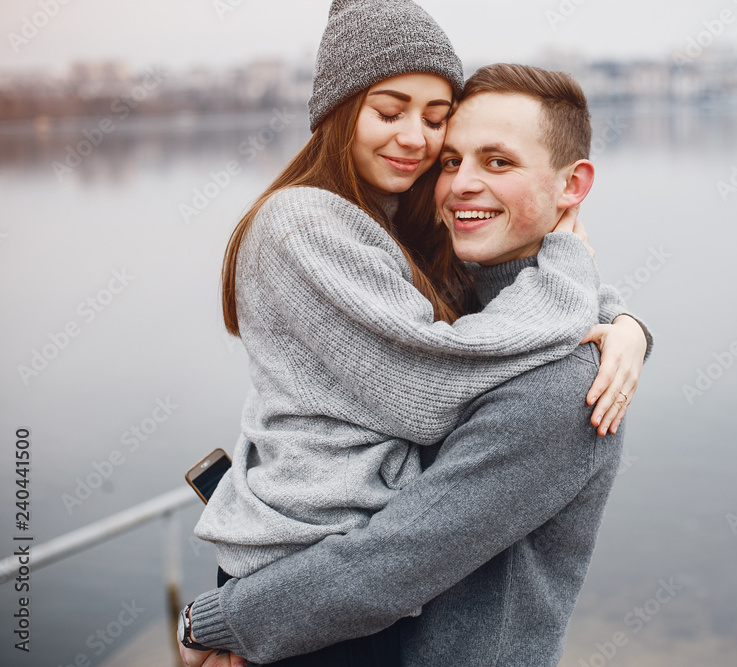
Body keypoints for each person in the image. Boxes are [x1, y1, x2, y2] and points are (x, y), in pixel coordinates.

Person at [178, 1, 651, 665]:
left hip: (321, 596)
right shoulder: (308, 225)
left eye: (436, 121)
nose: (423, 146)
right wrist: (224, 619)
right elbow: (430, 385)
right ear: (339, 111)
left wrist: (624, 321)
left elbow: (398, 555)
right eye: (390, 111)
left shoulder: (401, 237)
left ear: (572, 187)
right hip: (302, 585)